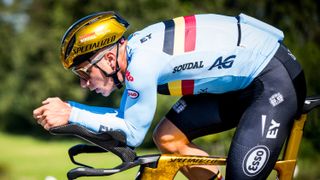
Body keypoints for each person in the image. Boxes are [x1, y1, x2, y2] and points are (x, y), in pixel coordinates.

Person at [33, 11, 306, 179]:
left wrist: (71, 113)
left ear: (108, 60)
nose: (83, 84)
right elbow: (123, 118)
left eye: (83, 72)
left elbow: (131, 133)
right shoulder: (134, 54)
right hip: (237, 83)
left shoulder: (141, 64)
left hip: (272, 81)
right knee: (168, 137)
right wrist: (71, 109)